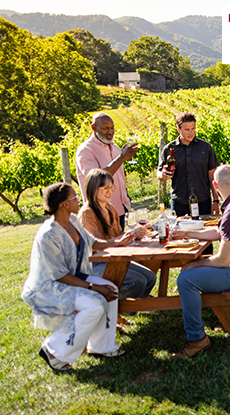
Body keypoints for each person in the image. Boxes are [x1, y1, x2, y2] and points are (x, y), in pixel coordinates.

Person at [21, 183, 127, 371]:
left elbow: (93, 243)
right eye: (75, 197)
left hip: (74, 277)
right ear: (64, 204)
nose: (79, 199)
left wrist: (117, 242)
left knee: (111, 289)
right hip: (49, 287)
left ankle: (102, 346)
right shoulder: (49, 234)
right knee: (94, 305)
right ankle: (54, 350)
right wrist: (94, 288)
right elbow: (59, 275)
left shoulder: (73, 221)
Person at [169, 165, 230, 358]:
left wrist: (193, 264)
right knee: (196, 272)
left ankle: (197, 339)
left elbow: (223, 260)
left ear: (214, 185)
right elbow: (220, 232)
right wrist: (185, 232)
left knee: (186, 279)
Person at [78, 168, 157, 300]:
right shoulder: (87, 214)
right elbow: (98, 245)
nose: (110, 192)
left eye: (112, 188)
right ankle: (104, 301)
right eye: (106, 189)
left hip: (113, 258)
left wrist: (134, 235)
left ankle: (136, 304)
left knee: (150, 277)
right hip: (95, 263)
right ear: (93, 189)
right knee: (138, 281)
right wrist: (129, 235)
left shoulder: (110, 208)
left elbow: (118, 235)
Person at [76, 112, 138, 229]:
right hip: (100, 213)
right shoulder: (85, 150)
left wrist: (126, 200)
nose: (110, 132)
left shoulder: (115, 148)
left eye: (112, 128)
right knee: (107, 246)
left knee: (122, 245)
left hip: (120, 209)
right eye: (105, 128)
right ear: (94, 127)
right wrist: (121, 158)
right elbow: (96, 180)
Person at [157, 112, 220, 217]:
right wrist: (162, 175)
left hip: (203, 200)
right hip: (179, 201)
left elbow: (212, 176)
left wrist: (216, 200)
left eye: (193, 129)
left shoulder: (206, 148)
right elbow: (160, 174)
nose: (191, 133)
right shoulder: (169, 149)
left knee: (204, 231)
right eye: (187, 130)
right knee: (180, 232)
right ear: (178, 129)